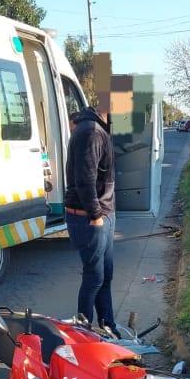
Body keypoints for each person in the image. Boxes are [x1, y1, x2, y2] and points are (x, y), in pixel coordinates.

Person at [64, 106, 117, 336]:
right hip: (89, 217)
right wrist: (95, 215)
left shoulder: (96, 128)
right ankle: (82, 335)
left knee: (104, 277)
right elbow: (85, 179)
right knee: (94, 278)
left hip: (102, 214)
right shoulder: (91, 132)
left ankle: (109, 330)